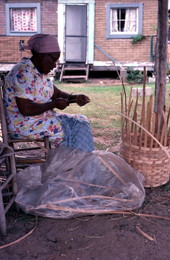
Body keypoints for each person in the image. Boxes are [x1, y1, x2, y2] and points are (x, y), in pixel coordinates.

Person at [4, 34, 94, 152]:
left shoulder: (39, 72)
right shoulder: (23, 71)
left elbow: (56, 94)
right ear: (41, 55)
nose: (55, 65)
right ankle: (76, 163)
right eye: (53, 60)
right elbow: (26, 109)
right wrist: (53, 104)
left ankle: (76, 162)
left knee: (81, 120)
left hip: (40, 119)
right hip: (24, 125)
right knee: (76, 130)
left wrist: (75, 98)